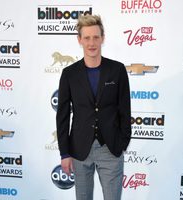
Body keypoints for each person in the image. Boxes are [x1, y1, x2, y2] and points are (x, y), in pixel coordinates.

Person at [56, 14, 131, 200]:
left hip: (111, 149)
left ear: (102, 38)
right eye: (87, 38)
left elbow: (125, 110)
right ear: (79, 40)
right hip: (79, 150)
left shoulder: (118, 70)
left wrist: (122, 143)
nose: (92, 43)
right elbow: (63, 116)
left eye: (96, 37)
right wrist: (64, 152)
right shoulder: (69, 74)